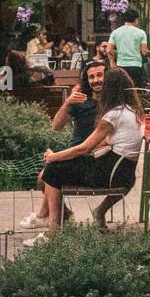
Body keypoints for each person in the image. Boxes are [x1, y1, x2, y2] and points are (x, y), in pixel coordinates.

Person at [25, 66, 146, 241]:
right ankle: (52, 222)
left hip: (111, 173)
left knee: (52, 169)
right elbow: (101, 143)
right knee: (54, 168)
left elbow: (84, 148)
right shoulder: (131, 110)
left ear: (110, 88)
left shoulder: (114, 114)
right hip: (124, 173)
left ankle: (53, 234)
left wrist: (53, 157)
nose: (100, 84)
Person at [18, 59, 108, 229]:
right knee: (42, 177)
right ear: (87, 80)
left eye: (100, 75)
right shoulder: (81, 99)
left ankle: (50, 221)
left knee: (47, 175)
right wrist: (67, 103)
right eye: (92, 77)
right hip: (74, 152)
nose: (96, 80)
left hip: (90, 156)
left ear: (107, 76)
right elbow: (56, 126)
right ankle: (56, 216)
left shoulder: (111, 104)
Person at [109, 9, 148, 87]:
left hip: (121, 66)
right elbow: (144, 52)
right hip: (136, 66)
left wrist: (112, 62)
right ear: (135, 20)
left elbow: (109, 50)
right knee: (135, 91)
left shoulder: (115, 32)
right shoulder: (141, 33)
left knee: (122, 90)